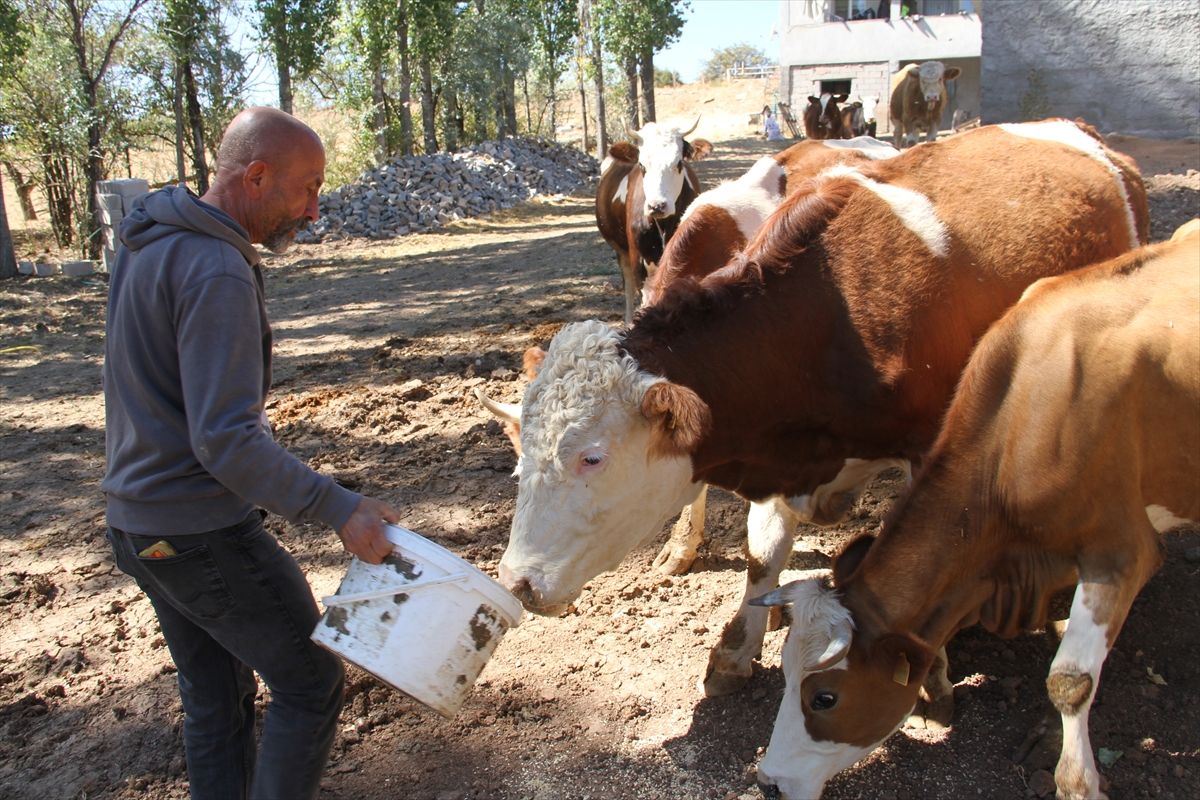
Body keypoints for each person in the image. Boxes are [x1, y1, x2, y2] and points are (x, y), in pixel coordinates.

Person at [102, 107, 401, 800]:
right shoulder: (217, 271)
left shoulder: (150, 241)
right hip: (198, 530)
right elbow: (225, 439)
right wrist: (339, 506)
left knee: (214, 695)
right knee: (310, 682)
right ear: (256, 175)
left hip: (138, 525)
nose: (315, 211)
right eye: (307, 189)